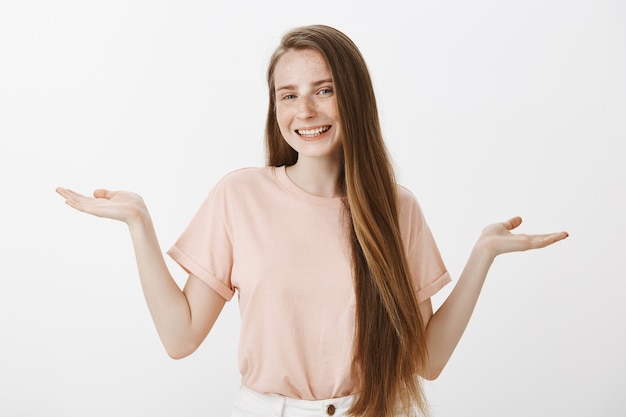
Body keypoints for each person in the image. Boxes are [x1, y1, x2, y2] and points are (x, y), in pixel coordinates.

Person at [56, 25, 568, 417]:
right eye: (288, 94)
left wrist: (482, 255)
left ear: (353, 98)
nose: (305, 109)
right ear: (274, 106)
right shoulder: (241, 196)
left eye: (323, 90)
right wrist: (139, 224)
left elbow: (424, 361)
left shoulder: (397, 209)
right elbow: (180, 338)